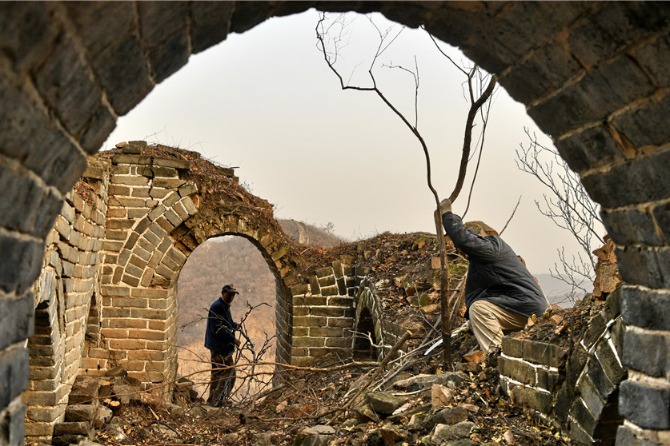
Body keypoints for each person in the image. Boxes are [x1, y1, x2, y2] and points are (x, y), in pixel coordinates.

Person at [436, 199, 547, 354]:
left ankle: (496, 358)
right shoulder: (487, 262)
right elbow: (493, 294)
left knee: (479, 309)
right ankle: (507, 356)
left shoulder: (492, 246)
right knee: (479, 312)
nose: (460, 251)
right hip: (523, 307)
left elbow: (464, 239)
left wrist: (447, 215)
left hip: (525, 308)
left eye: (462, 248)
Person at [205, 284, 241, 406]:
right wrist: (233, 339)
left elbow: (226, 323)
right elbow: (218, 329)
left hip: (220, 347)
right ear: (223, 293)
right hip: (220, 348)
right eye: (229, 294)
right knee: (228, 373)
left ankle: (213, 400)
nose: (231, 297)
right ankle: (219, 400)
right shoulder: (218, 307)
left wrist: (235, 325)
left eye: (233, 294)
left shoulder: (224, 306)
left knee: (218, 373)